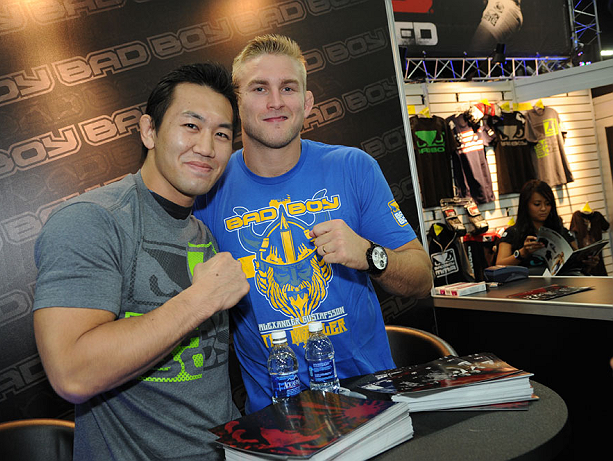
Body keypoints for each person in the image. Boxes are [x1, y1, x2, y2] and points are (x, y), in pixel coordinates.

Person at [194, 34, 433, 414]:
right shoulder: (208, 187)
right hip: (276, 414)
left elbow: (422, 277)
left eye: (287, 88)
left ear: (306, 102)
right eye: (259, 88)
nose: (275, 102)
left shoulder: (353, 167)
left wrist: (370, 256)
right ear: (236, 103)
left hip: (372, 401)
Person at [32, 63, 250, 461]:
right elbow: (72, 371)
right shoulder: (93, 220)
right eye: (191, 126)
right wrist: (201, 299)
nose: (207, 146)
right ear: (149, 131)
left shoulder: (202, 233)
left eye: (222, 134)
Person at [495, 179, 596, 274]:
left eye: (548, 204)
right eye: (537, 204)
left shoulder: (561, 231)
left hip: (563, 284)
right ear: (526, 205)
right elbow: (499, 265)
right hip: (527, 288)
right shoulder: (513, 233)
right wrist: (522, 253)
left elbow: (575, 261)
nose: (543, 209)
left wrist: (587, 262)